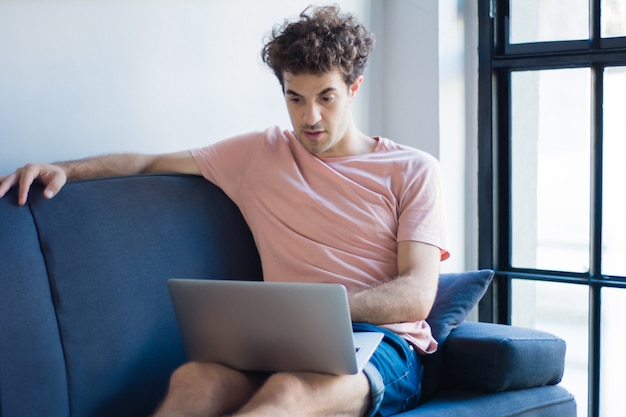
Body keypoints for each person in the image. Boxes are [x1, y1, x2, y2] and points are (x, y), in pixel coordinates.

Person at [0, 5, 449, 417]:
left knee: (288, 396)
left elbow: (415, 293)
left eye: (326, 98)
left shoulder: (412, 170)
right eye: (295, 98)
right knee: (194, 380)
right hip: (280, 339)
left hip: (385, 345)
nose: (310, 116)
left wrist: (322, 311)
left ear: (354, 89)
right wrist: (61, 169)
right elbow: (146, 163)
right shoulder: (258, 154)